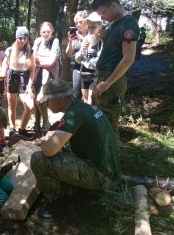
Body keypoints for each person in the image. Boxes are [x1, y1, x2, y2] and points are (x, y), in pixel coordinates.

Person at [31, 79, 121, 220]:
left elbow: (48, 151)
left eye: (48, 101)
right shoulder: (84, 108)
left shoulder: (74, 114)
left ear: (61, 99)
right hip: (109, 171)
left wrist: (45, 144)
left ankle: (61, 205)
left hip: (102, 177)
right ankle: (81, 190)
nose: (46, 104)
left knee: (38, 159)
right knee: (61, 151)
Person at [91, 0, 140, 134]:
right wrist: (104, 38)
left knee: (108, 123)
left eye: (103, 13)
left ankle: (110, 154)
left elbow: (128, 58)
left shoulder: (128, 24)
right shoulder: (114, 24)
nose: (103, 18)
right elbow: (113, 52)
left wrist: (107, 83)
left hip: (113, 81)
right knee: (99, 117)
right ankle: (98, 152)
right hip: (104, 77)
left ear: (113, 6)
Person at [2, 26, 35, 139]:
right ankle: (12, 128)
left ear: (27, 38)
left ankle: (22, 129)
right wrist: (4, 84)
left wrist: (30, 87)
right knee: (12, 105)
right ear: (16, 38)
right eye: (20, 37)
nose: (22, 40)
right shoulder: (10, 50)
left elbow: (32, 72)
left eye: (24, 37)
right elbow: (5, 68)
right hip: (12, 76)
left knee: (30, 106)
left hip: (24, 78)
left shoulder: (31, 52)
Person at [32, 22, 61, 133]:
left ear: (52, 31)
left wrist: (40, 59)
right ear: (40, 32)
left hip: (49, 75)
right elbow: (33, 58)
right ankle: (36, 123)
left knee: (41, 98)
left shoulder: (55, 41)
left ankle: (46, 122)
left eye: (48, 32)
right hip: (37, 74)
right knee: (36, 99)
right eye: (43, 32)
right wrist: (42, 59)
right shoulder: (38, 41)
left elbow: (51, 62)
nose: (46, 34)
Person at [75, 12, 103, 104]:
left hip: (95, 77)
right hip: (84, 76)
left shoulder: (102, 41)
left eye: (93, 27)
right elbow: (77, 60)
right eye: (89, 26)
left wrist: (85, 62)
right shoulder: (87, 38)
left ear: (100, 26)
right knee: (85, 101)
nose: (90, 29)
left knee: (92, 103)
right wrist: (82, 50)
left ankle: (94, 118)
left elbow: (99, 62)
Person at [66, 11, 89, 100]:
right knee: (76, 94)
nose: (78, 25)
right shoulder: (75, 36)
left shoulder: (92, 34)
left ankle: (90, 113)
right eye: (76, 23)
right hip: (77, 68)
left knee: (88, 97)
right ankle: (77, 113)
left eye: (80, 22)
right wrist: (70, 41)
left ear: (86, 21)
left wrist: (83, 39)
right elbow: (68, 54)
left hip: (90, 69)